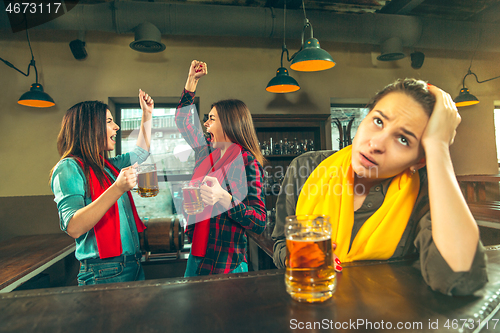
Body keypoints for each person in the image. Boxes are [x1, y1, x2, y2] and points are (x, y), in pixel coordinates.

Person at [272, 79, 488, 296]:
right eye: (378, 121)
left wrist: (438, 146)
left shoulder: (426, 192)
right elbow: (280, 241)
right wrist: (295, 259)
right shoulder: (305, 167)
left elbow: (460, 279)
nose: (375, 144)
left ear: (419, 161)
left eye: (403, 139)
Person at [50, 90, 154, 285]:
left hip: (132, 264)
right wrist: (117, 188)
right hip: (104, 271)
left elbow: (141, 153)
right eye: (108, 122)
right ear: (89, 127)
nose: (116, 127)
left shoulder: (108, 166)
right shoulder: (68, 167)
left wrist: (147, 114)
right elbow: (73, 227)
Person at [176, 60, 266, 276]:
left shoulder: (247, 161)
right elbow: (182, 121)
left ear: (228, 123)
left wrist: (225, 199)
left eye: (211, 119)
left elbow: (259, 221)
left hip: (226, 265)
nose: (206, 123)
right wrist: (191, 81)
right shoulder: (205, 150)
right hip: (197, 257)